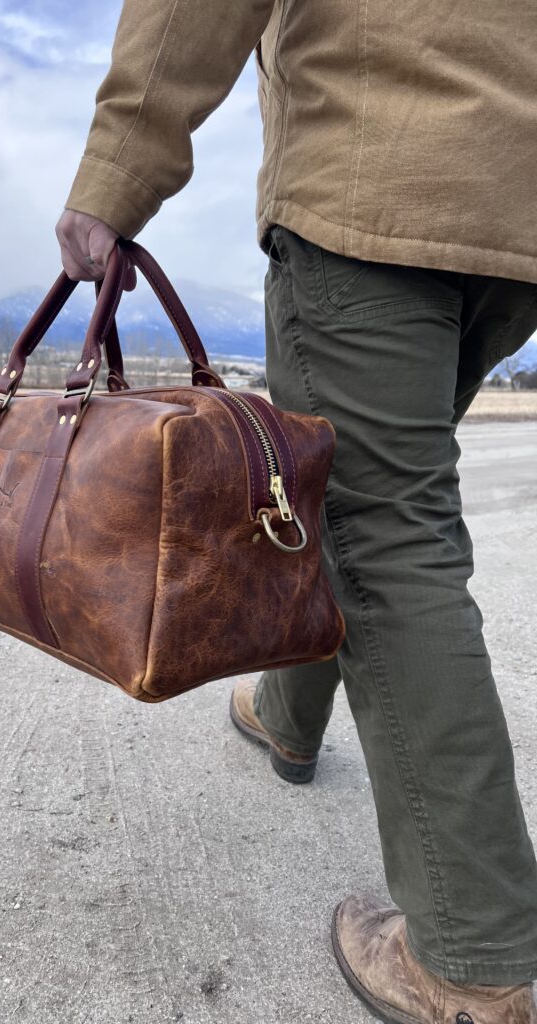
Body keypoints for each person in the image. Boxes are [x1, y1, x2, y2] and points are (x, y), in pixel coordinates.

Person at [54, 1, 537, 1020]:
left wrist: (115, 176)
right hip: (515, 210)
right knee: (340, 492)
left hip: (382, 182)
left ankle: (473, 959)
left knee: (382, 535)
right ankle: (289, 717)